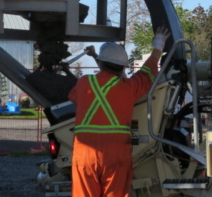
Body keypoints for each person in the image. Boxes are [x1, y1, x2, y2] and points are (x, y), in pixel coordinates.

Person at [68, 27, 170, 197]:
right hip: (116, 153)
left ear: (100, 63)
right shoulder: (129, 87)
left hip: (84, 153)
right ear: (123, 68)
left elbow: (76, 97)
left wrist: (95, 57)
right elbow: (147, 72)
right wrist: (158, 46)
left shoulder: (84, 83)